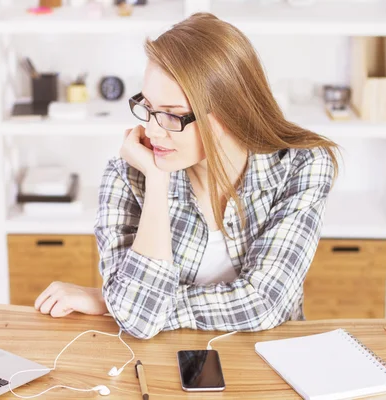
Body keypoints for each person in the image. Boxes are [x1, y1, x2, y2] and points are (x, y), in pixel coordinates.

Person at [34, 12, 339, 339]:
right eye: (148, 107)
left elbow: (264, 302)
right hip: (161, 359)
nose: (151, 130)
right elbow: (137, 322)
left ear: (226, 116)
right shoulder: (128, 173)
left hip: (268, 359)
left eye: (170, 115)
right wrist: (156, 182)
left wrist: (114, 302)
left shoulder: (300, 165)